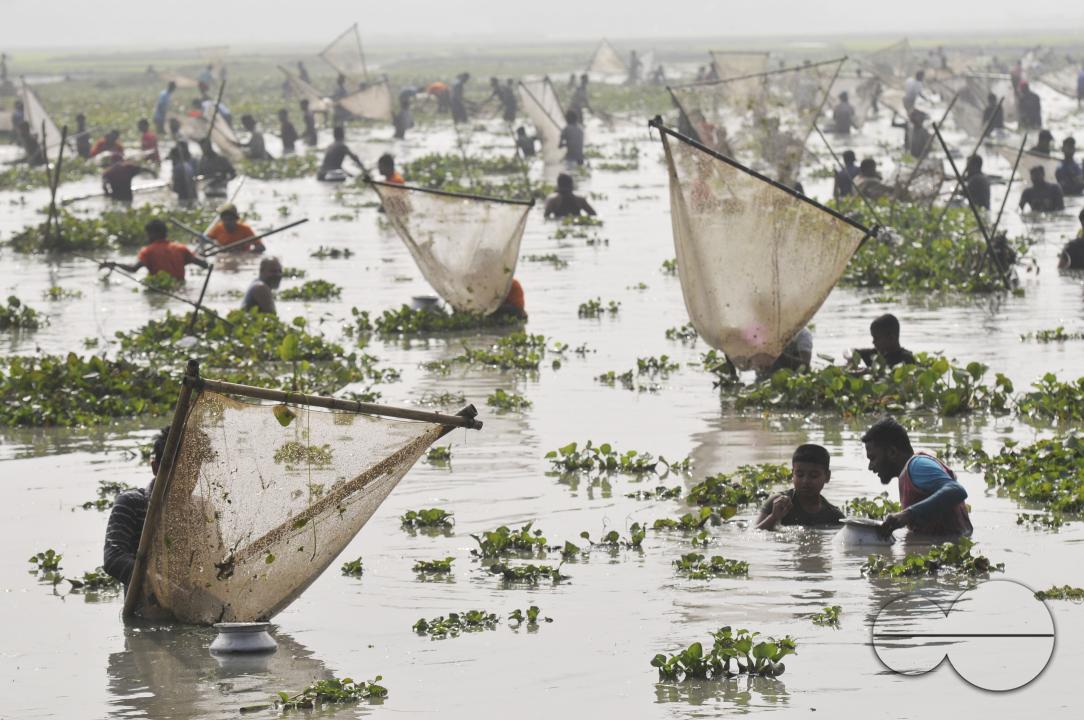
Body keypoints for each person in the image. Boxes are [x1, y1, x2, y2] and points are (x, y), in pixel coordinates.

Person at [862, 417, 972, 538]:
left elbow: (956, 490)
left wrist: (906, 515)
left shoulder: (917, 465)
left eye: (873, 458)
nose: (870, 467)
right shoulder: (908, 474)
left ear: (892, 452)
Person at [103, 428, 168, 589]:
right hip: (143, 609)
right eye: (175, 470)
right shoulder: (131, 503)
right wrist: (162, 586)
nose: (184, 479)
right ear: (155, 468)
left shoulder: (201, 509)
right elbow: (113, 558)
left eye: (192, 471)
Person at [756, 444, 844, 530]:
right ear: (792, 474)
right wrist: (774, 517)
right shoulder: (778, 503)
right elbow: (755, 533)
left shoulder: (834, 516)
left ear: (827, 477)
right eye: (800, 475)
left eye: (813, 476)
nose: (805, 481)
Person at [104, 219, 207, 282]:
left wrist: (115, 264)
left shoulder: (147, 251)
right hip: (180, 286)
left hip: (159, 288)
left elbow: (133, 269)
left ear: (152, 234)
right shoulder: (180, 248)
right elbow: (204, 265)